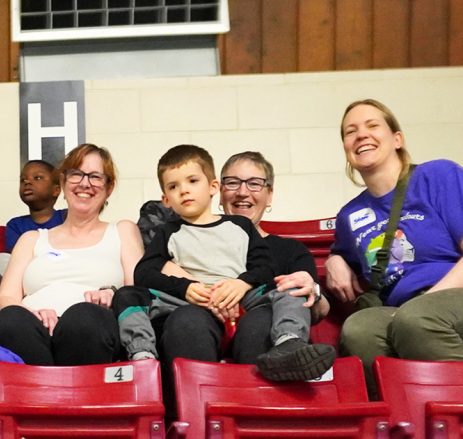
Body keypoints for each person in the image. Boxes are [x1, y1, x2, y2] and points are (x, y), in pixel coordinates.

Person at [114, 145, 336, 381]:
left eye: (192, 181)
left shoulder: (242, 227)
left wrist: (241, 284)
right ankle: (142, 356)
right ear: (166, 199)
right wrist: (186, 288)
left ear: (212, 187)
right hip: (189, 303)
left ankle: (289, 342)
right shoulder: (167, 232)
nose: (184, 191)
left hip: (243, 299)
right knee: (126, 294)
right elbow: (145, 272)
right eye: (174, 186)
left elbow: (265, 266)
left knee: (290, 285)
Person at [327, 99, 463, 395]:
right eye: (350, 132)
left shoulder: (437, 175)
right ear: (347, 151)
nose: (361, 134)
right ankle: (406, 426)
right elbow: (343, 252)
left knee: (417, 319)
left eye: (373, 125)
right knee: (359, 328)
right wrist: (334, 258)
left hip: (452, 295)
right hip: (401, 309)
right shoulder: (350, 216)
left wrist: (425, 301)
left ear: (397, 139)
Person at [0, 144, 144, 366]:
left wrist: (114, 294)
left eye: (95, 177)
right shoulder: (32, 238)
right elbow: (6, 298)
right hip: (33, 333)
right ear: (62, 182)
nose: (84, 183)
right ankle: (47, 395)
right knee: (10, 319)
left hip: (93, 328)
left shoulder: (122, 230)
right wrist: (32, 313)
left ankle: (72, 396)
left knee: (83, 317)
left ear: (109, 188)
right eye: (76, 174)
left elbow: (136, 292)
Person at [3, 160, 66, 253]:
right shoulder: (15, 225)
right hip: (28, 265)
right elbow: (18, 257)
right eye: (23, 179)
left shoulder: (67, 217)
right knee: (1, 258)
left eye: (37, 178)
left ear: (56, 190)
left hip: (63, 264)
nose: (27, 182)